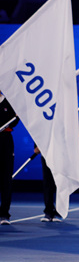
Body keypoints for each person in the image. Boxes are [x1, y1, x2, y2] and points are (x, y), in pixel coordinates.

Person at [0, 91, 19, 225]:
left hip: (6, 140)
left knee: (6, 178)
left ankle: (4, 214)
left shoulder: (9, 102)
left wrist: (17, 116)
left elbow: (14, 121)